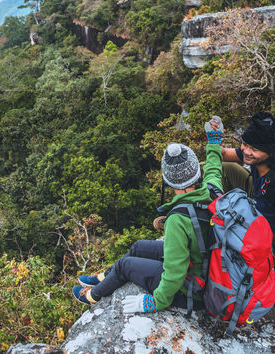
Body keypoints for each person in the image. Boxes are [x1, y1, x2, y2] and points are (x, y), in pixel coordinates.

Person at [71, 117, 227, 312]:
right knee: (138, 246)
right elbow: (214, 167)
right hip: (204, 261)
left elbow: (174, 272)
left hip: (195, 289)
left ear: (168, 181)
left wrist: (156, 301)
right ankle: (105, 276)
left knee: (126, 265)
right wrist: (214, 141)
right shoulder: (212, 189)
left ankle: (93, 296)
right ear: (197, 170)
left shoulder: (178, 219)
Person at [219, 111, 275, 280]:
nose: (246, 151)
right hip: (258, 198)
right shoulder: (255, 155)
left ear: (269, 151)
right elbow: (224, 154)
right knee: (225, 167)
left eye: (253, 149)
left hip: (269, 228)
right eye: (245, 144)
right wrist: (214, 137)